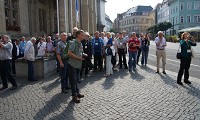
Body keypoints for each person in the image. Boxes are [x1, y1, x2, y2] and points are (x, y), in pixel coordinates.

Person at [68, 30, 85, 103]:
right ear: (78, 35)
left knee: (76, 79)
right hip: (72, 64)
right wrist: (78, 58)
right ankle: (74, 96)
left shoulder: (80, 43)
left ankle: (77, 93)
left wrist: (83, 54)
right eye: (82, 34)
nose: (83, 36)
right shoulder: (73, 43)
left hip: (78, 64)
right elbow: (69, 53)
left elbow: (79, 52)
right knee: (73, 80)